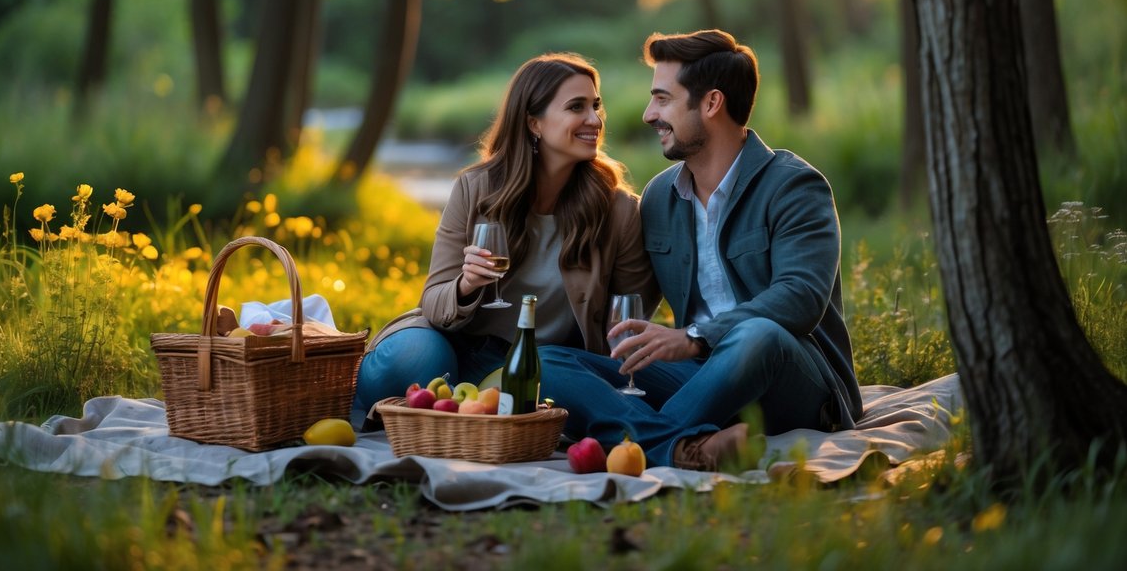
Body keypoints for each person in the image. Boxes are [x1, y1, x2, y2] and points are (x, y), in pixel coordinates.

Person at [539, 30, 862, 472]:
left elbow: (800, 297)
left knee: (757, 334)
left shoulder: (793, 186)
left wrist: (693, 338)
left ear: (711, 104)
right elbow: (623, 298)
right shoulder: (658, 198)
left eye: (663, 99)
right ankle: (679, 447)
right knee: (549, 360)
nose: (649, 114)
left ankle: (637, 443)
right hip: (700, 380)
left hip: (795, 384)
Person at [354, 53, 660, 411]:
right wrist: (466, 285)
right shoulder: (475, 189)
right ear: (534, 123)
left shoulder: (617, 209)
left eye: (596, 106)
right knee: (413, 358)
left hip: (541, 363)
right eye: (577, 107)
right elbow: (433, 303)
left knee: (565, 386)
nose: (594, 120)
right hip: (456, 346)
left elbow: (629, 314)